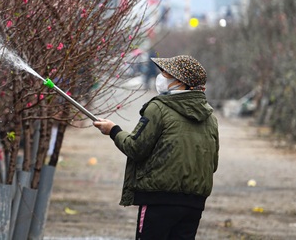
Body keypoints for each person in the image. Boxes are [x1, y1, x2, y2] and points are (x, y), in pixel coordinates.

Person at [93, 55, 219, 240]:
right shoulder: (210, 117)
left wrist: (113, 130)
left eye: (166, 74)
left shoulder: (159, 108)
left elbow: (135, 148)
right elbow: (212, 164)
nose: (161, 77)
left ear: (181, 82)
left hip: (158, 200)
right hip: (194, 203)